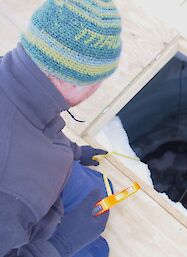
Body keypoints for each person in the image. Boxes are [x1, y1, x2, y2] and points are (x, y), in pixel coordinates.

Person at [0, 0, 121, 256]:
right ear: (77, 84)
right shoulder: (12, 189)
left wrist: (72, 151)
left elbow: (28, 121)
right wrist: (59, 245)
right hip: (21, 229)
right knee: (97, 249)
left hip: (29, 187)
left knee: (94, 188)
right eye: (98, 81)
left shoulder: (12, 76)